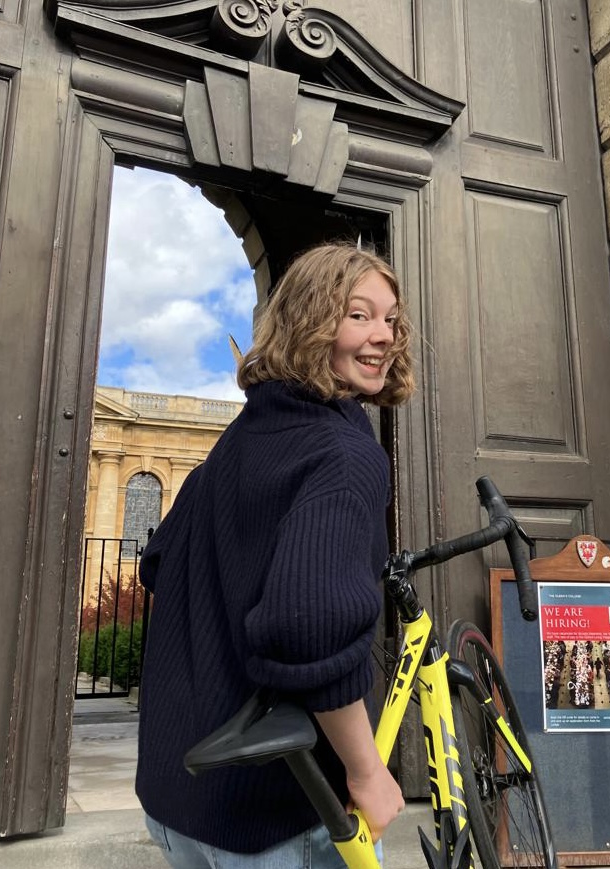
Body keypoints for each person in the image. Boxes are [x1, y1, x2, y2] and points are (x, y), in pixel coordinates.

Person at [136, 241, 416, 868]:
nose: (385, 337)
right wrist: (368, 771)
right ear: (310, 320)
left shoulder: (238, 441)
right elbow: (309, 631)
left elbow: (159, 564)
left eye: (391, 318)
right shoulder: (345, 458)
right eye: (358, 314)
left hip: (177, 803)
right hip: (276, 818)